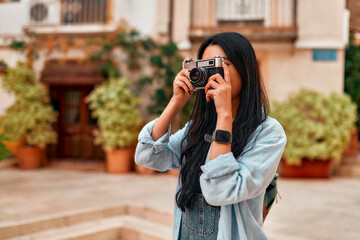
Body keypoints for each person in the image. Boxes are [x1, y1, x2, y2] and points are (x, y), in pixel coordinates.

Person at [135, 32, 287, 240]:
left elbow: (220, 191)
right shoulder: (197, 127)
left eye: (220, 64)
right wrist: (176, 101)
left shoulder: (268, 132)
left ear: (245, 70)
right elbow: (147, 157)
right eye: (205, 65)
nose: (211, 73)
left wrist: (225, 115)